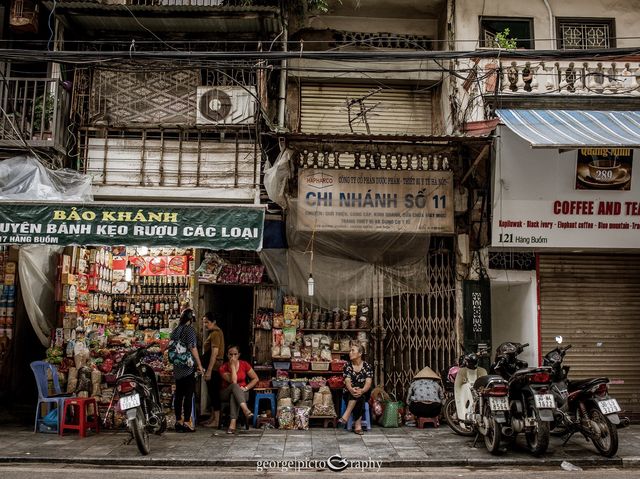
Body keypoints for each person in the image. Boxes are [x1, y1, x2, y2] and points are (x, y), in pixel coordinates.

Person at [170, 308, 204, 432]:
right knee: (188, 395)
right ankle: (187, 423)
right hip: (187, 367)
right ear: (191, 319)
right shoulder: (189, 330)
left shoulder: (175, 330)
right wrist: (199, 364)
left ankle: (178, 421)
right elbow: (193, 348)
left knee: (179, 395)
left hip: (177, 367)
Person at [218, 345, 258, 434]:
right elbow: (234, 381)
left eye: (235, 354)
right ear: (227, 355)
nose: (233, 357)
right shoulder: (223, 368)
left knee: (234, 394)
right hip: (225, 392)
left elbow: (255, 378)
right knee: (234, 386)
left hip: (242, 392)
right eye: (230, 354)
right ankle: (245, 409)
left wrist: (246, 387)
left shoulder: (244, 364)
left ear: (239, 355)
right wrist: (232, 366)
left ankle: (232, 423)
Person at [339, 343, 373, 435]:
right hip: (349, 392)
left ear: (360, 353)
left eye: (352, 350)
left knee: (360, 392)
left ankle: (346, 415)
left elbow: (368, 383)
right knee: (359, 396)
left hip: (364, 391)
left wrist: (362, 390)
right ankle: (358, 426)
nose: (350, 353)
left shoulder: (367, 366)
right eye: (350, 351)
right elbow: (347, 381)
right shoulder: (347, 366)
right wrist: (351, 389)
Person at [201, 312, 225, 428]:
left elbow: (214, 353)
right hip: (213, 367)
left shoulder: (216, 334)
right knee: (211, 393)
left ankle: (216, 421)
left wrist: (209, 370)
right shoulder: (214, 333)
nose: (205, 325)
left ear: (213, 322)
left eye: (207, 322)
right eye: (204, 322)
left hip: (214, 368)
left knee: (214, 394)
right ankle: (213, 418)